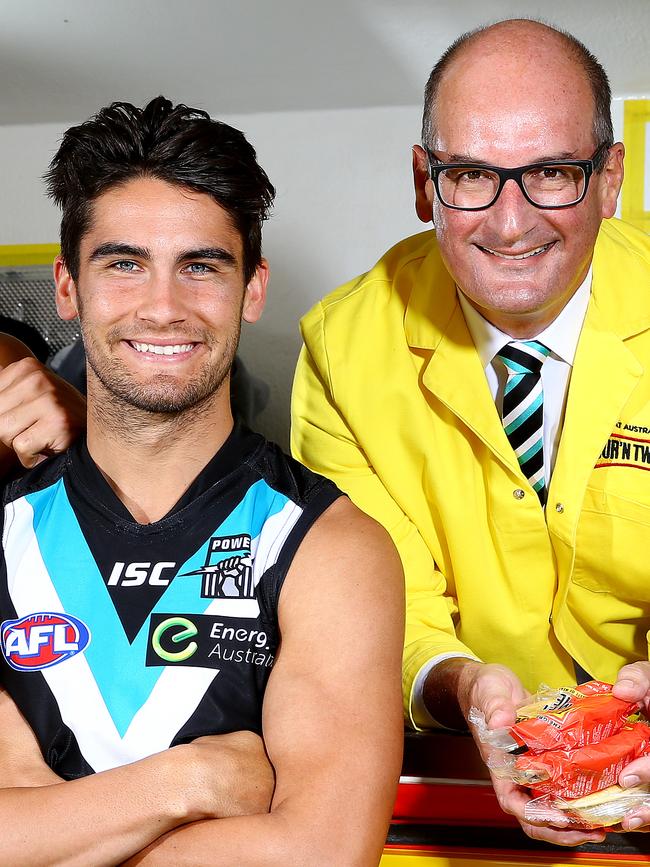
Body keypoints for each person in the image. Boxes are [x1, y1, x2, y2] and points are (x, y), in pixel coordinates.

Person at [0, 96, 404, 865]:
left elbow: (319, 854)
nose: (162, 307)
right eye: (124, 263)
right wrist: (186, 782)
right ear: (65, 286)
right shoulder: (7, 534)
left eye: (201, 266)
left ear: (252, 289)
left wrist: (50, 826)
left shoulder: (329, 548)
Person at [290, 19, 650, 845]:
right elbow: (378, 603)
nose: (511, 222)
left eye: (553, 171)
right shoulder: (340, 347)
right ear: (424, 183)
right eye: (472, 175)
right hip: (455, 774)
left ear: (610, 178)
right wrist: (461, 686)